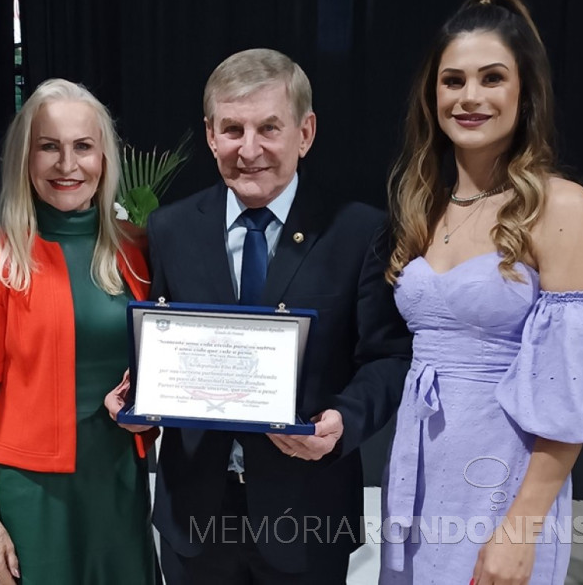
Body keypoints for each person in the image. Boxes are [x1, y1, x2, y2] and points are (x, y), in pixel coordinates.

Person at [106, 48, 412, 584]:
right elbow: (162, 343)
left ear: (305, 132)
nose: (249, 150)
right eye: (232, 130)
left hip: (307, 510)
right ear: (210, 134)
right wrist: (136, 396)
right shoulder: (172, 230)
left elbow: (387, 358)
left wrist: (343, 422)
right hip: (193, 516)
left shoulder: (359, 232)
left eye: (269, 127)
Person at [382, 0, 583, 584]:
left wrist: (520, 530)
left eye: (492, 78)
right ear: (433, 95)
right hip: (419, 471)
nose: (469, 97)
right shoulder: (427, 205)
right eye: (453, 80)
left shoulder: (561, 207)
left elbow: (570, 399)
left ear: (525, 92)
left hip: (501, 479)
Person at [0, 78, 158, 585]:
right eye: (48, 146)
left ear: (104, 158)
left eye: (83, 147)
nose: (67, 165)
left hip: (118, 477)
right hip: (32, 493)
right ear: (25, 159)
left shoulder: (137, 251)